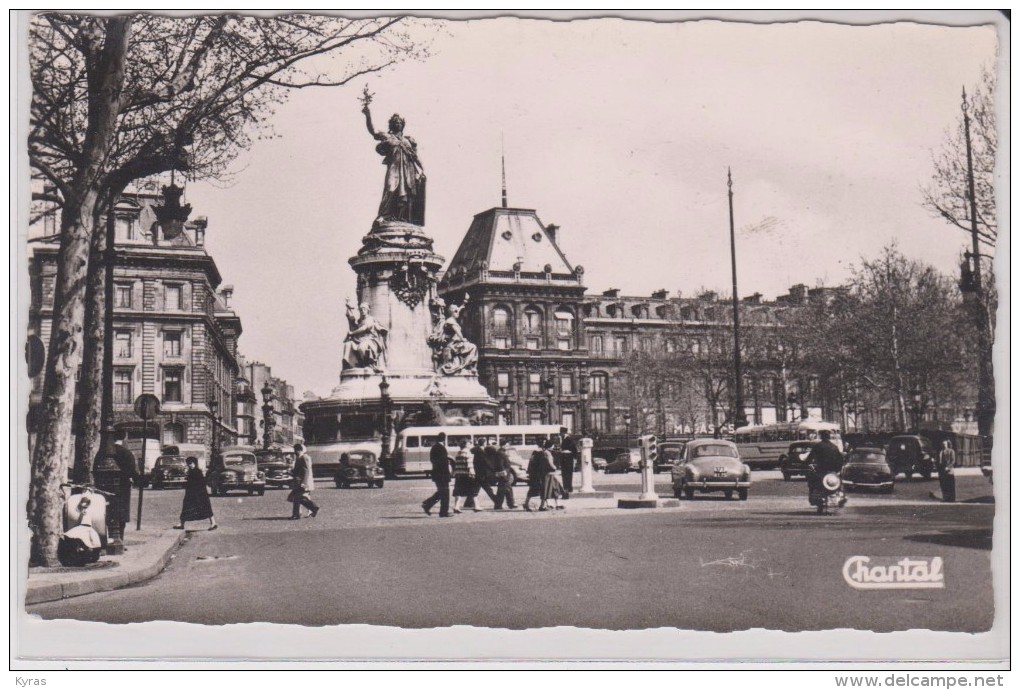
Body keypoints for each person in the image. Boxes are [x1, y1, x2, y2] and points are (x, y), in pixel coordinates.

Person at [362, 104, 426, 225]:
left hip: (408, 170)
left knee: (407, 194)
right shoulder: (387, 136)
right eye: (395, 122)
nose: (398, 124)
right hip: (394, 168)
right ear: (391, 125)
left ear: (403, 124)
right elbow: (373, 131)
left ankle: (402, 218)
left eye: (399, 122)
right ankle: (383, 216)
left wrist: (422, 170)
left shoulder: (408, 140)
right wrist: (367, 115)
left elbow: (416, 157)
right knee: (390, 189)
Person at [342, 300, 388, 372]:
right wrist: (349, 312)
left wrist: (352, 333)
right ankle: (347, 363)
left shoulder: (370, 319)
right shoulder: (360, 321)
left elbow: (364, 328)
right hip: (360, 339)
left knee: (362, 347)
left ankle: (369, 364)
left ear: (368, 310)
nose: (362, 311)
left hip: (370, 340)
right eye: (361, 309)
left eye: (364, 309)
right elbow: (354, 324)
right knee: (348, 344)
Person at [174, 457, 216, 530]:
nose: (190, 465)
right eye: (188, 464)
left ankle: (213, 523)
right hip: (194, 493)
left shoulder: (196, 472)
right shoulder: (192, 471)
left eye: (191, 463)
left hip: (198, 493)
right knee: (188, 508)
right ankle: (182, 524)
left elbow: (199, 482)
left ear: (195, 463)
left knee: (204, 507)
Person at [805, 430, 844, 495]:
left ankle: (813, 493)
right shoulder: (834, 447)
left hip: (821, 469)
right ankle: (839, 492)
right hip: (833, 470)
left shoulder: (817, 446)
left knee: (812, 479)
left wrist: (807, 463)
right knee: (839, 481)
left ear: (821, 436)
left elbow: (810, 457)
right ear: (829, 437)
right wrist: (838, 469)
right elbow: (840, 459)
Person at [422, 432, 452, 517]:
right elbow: (443, 462)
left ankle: (427, 504)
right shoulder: (441, 448)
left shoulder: (434, 447)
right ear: (444, 439)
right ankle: (443, 512)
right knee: (445, 493)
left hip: (436, 473)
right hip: (442, 474)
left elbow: (433, 460)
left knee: (441, 492)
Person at [289, 443, 319, 520]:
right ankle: (297, 514)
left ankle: (313, 508)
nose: (295, 452)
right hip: (298, 481)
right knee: (297, 498)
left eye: (295, 450)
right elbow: (298, 471)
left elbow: (306, 471)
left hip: (301, 482)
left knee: (298, 498)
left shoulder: (304, 457)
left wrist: (304, 483)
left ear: (299, 450)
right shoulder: (300, 458)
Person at [451, 439, 481, 514]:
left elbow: (456, 465)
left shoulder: (458, 453)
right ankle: (476, 506)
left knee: (458, 492)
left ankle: (456, 507)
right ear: (466, 444)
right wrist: (473, 474)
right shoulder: (468, 453)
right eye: (470, 443)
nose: (471, 445)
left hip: (459, 475)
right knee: (473, 491)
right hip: (467, 475)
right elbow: (469, 465)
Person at [472, 438, 500, 507]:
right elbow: (485, 462)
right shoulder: (481, 452)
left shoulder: (475, 450)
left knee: (476, 489)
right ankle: (497, 501)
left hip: (478, 473)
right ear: (484, 443)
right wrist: (492, 468)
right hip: (482, 473)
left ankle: (468, 503)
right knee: (487, 489)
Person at [492, 439, 517, 510]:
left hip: (504, 473)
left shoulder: (501, 452)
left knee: (504, 490)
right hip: (504, 474)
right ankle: (509, 504)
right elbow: (500, 464)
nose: (508, 446)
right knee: (505, 489)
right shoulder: (501, 453)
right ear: (503, 445)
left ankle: (504, 504)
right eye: (507, 445)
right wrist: (503, 473)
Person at [541, 439, 566, 511]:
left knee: (554, 489)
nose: (553, 447)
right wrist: (555, 467)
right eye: (552, 445)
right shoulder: (547, 453)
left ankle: (555, 504)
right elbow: (550, 462)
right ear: (550, 446)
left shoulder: (545, 452)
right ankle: (546, 505)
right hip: (549, 474)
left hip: (549, 474)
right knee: (549, 490)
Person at [522, 446, 548, 513]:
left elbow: (529, 469)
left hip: (533, 477)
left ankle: (526, 504)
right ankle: (542, 506)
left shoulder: (532, 459)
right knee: (544, 491)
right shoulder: (541, 458)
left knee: (531, 491)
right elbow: (543, 468)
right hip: (540, 477)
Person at [559, 432, 578, 497]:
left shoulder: (568, 439)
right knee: (566, 474)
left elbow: (574, 450)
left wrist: (574, 458)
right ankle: (567, 488)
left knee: (567, 474)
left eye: (561, 433)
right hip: (566, 458)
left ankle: (567, 488)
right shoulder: (565, 439)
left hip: (567, 458)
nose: (560, 435)